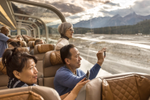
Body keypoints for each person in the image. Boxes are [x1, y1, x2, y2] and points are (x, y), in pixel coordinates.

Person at [2, 47, 89, 100]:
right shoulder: (26, 93)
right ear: (17, 74)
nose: (36, 71)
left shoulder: (14, 83)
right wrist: (75, 92)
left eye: (35, 66)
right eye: (31, 68)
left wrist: (71, 92)